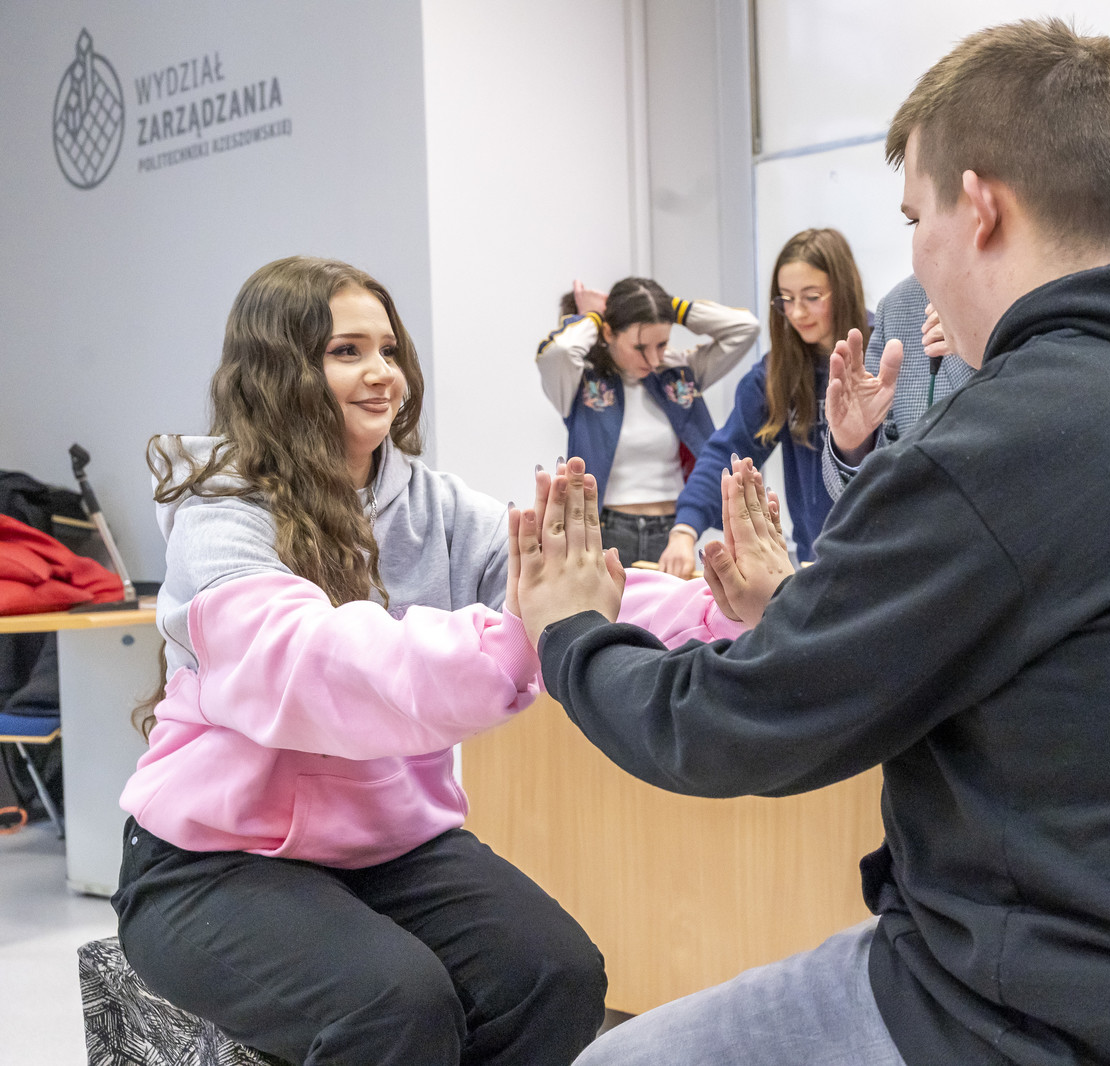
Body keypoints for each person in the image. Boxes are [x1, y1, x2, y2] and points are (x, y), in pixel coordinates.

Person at [521, 17, 1110, 1066]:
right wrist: (809, 612)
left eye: (915, 217)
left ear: (980, 207)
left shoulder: (1017, 434)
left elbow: (725, 728)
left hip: (1058, 1025)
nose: (915, 260)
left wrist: (573, 632)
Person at [112, 257, 749, 1066]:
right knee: (393, 1007)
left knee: (556, 976)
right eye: (347, 352)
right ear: (279, 371)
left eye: (389, 350)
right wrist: (516, 638)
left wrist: (729, 612)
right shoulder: (224, 513)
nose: (383, 373)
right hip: (209, 860)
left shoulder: (435, 507)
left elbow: (576, 587)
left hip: (387, 848)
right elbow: (308, 665)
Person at [821, 220, 1110, 499]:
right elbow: (870, 501)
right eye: (914, 221)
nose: (920, 245)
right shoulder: (901, 307)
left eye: (919, 214)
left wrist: (991, 344)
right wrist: (855, 446)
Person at [657, 228, 868, 574]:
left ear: (843, 289)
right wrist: (685, 528)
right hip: (818, 562)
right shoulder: (778, 373)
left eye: (811, 297)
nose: (797, 312)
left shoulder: (884, 349)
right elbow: (729, 450)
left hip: (887, 556)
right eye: (786, 299)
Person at [536, 277, 759, 568]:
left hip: (674, 531)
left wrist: (668, 308)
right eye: (640, 347)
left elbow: (746, 328)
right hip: (603, 530)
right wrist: (593, 316)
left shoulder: (678, 372)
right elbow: (560, 351)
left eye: (662, 344)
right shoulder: (579, 381)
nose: (654, 359)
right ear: (608, 333)